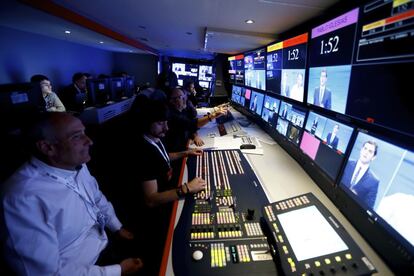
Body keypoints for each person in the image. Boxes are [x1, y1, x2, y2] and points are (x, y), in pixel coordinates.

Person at [0, 112, 143, 275]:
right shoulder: (22, 198)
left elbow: (96, 198)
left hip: (104, 239)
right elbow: (47, 273)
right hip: (84, 267)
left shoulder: (74, 164)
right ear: (48, 147)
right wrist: (117, 270)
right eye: (76, 136)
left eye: (84, 132)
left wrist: (117, 226)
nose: (89, 141)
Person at [129, 100, 206, 275]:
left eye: (166, 123)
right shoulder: (142, 151)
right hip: (156, 217)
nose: (167, 128)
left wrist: (185, 153)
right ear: (145, 123)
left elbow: (163, 158)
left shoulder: (153, 138)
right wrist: (186, 188)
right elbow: (151, 200)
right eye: (160, 123)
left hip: (168, 190)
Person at [341, 140, 380, 208]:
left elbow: (369, 207)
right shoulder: (346, 163)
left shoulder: (374, 181)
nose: (366, 152)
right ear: (361, 150)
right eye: (365, 148)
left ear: (373, 157)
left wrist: (357, 198)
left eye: (370, 151)